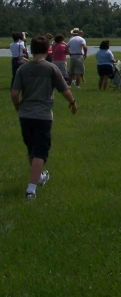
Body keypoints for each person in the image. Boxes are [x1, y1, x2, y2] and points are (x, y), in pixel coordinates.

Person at [10, 35, 78, 200]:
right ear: (48, 50)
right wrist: (72, 102)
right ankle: (31, 189)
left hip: (25, 115)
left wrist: (18, 106)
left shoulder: (22, 69)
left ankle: (39, 177)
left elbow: (14, 93)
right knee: (40, 150)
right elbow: (64, 89)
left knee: (32, 148)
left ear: (32, 50)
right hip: (43, 115)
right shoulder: (51, 68)